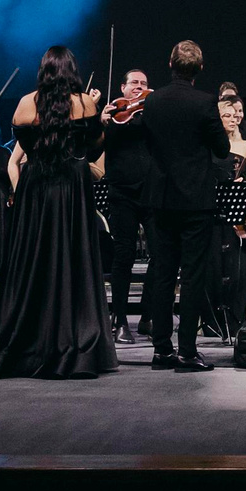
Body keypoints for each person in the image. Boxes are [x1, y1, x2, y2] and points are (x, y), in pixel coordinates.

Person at [0, 46, 116, 379]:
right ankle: (72, 333)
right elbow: (95, 147)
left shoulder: (25, 104)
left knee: (32, 260)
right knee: (72, 259)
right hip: (72, 188)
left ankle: (28, 337)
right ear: (73, 70)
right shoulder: (86, 104)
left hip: (36, 188)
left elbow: (23, 144)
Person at [136, 41, 228, 371]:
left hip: (160, 199)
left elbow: (147, 142)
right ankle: (187, 351)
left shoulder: (153, 100)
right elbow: (222, 148)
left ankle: (161, 350)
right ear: (199, 69)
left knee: (162, 274)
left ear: (169, 64)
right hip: (195, 201)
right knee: (191, 277)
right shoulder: (205, 103)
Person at [99, 67, 156, 343]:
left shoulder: (151, 113)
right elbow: (94, 150)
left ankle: (148, 316)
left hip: (152, 192)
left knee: (161, 254)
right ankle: (119, 319)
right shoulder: (113, 115)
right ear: (123, 88)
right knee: (124, 256)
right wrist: (102, 122)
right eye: (134, 82)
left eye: (144, 84)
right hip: (122, 192)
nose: (139, 87)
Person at [214, 83, 246, 329]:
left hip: (240, 211)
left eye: (236, 115)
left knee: (241, 266)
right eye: (227, 115)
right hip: (216, 213)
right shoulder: (210, 145)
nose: (233, 119)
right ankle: (214, 318)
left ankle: (238, 316)